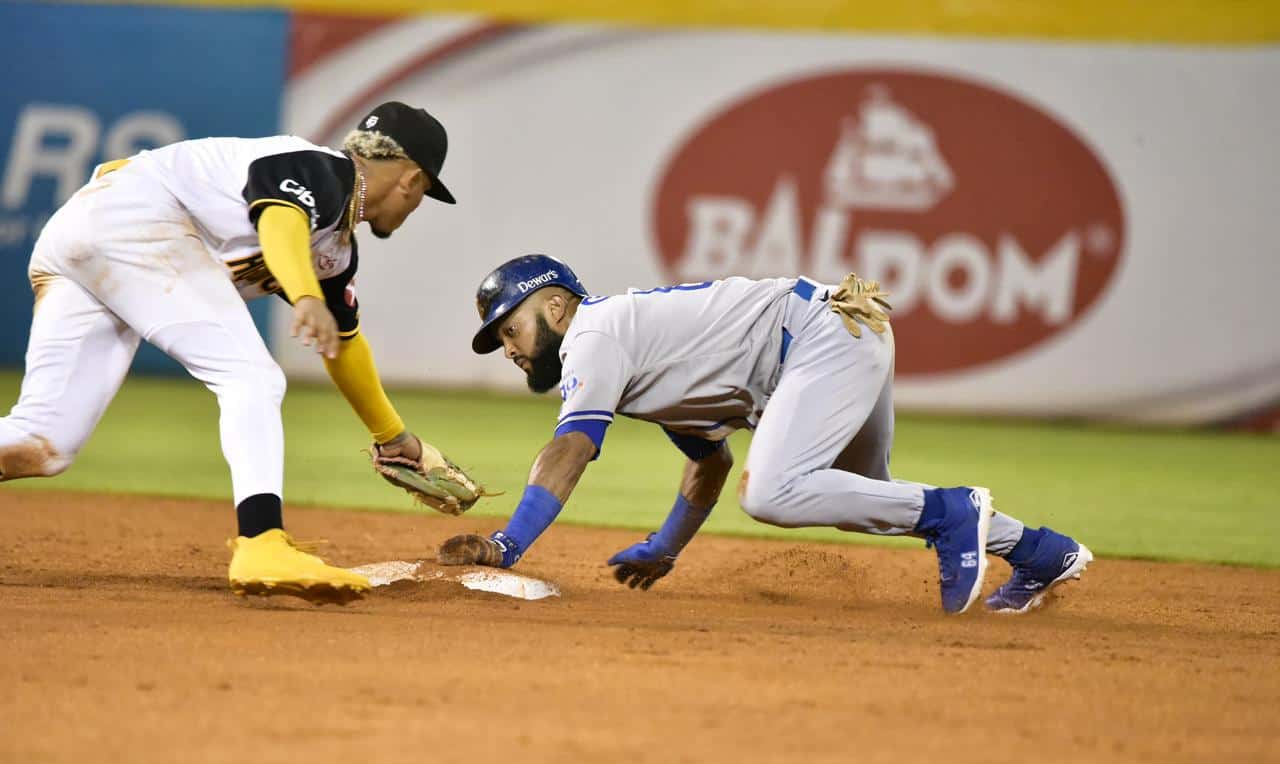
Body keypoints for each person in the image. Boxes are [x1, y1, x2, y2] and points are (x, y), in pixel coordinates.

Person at [0, 101, 472, 604]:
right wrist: (306, 296)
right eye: (423, 192)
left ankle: (263, 541)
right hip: (133, 217)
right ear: (412, 180)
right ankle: (263, 541)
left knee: (44, 441)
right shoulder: (325, 170)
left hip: (83, 234)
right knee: (252, 376)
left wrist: (394, 438)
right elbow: (280, 220)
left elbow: (344, 344)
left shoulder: (335, 245)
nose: (416, 203)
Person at [438, 254, 1092, 614]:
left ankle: (955, 510)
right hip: (842, 329)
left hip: (818, 338)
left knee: (775, 493)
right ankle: (1040, 550)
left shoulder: (593, 335)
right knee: (860, 495)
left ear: (553, 306)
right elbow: (708, 465)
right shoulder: (634, 361)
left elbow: (571, 449)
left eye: (509, 329)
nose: (508, 349)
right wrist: (666, 546)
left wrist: (507, 543)